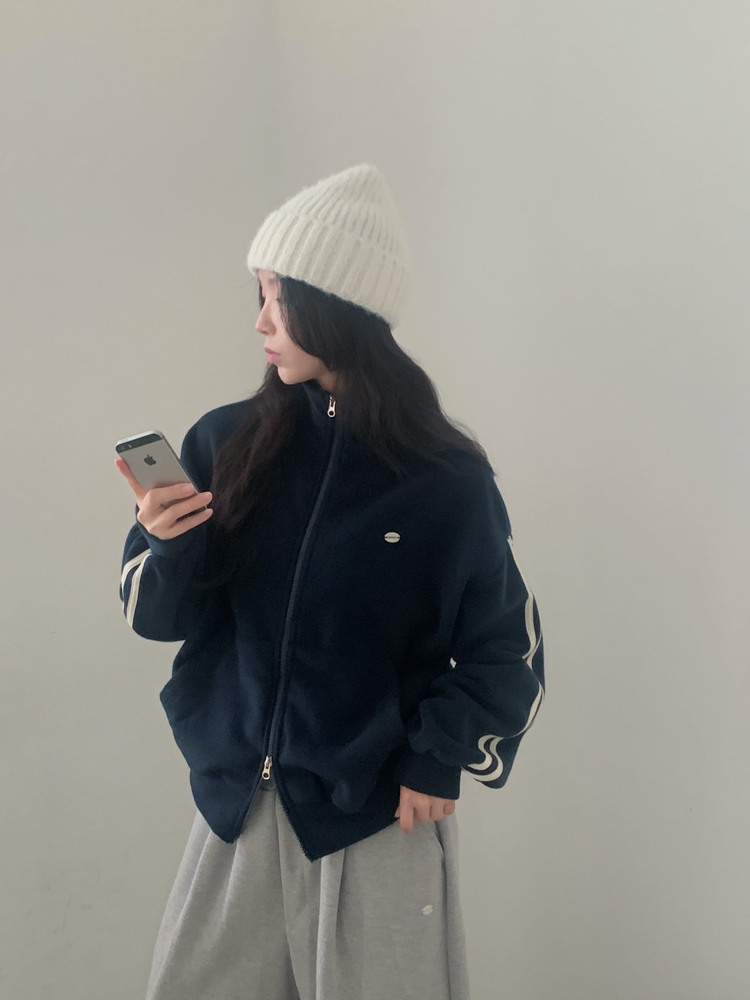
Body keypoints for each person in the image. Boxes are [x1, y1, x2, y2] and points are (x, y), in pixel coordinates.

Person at [116, 164, 544, 1000]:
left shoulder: (444, 479)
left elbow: (508, 645)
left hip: (376, 819)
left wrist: (440, 758)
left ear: (338, 307)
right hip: (235, 812)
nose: (260, 321)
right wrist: (165, 546)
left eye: (279, 298)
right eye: (261, 294)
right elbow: (156, 618)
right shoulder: (225, 444)